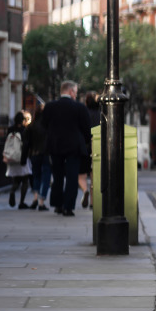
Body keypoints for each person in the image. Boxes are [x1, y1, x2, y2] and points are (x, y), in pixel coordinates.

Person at [42, 81, 93, 217]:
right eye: (75, 92)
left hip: (55, 146)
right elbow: (87, 130)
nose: (75, 95)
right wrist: (86, 142)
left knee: (57, 176)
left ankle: (57, 204)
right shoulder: (79, 108)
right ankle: (68, 207)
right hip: (73, 147)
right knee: (72, 177)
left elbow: (43, 125)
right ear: (71, 92)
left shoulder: (50, 107)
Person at [22, 102, 51, 211]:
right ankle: (41, 202)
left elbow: (26, 143)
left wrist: (23, 158)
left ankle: (35, 198)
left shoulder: (31, 126)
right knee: (46, 177)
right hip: (47, 154)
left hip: (34, 153)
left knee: (36, 176)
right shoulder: (48, 126)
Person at [4, 112, 32, 209]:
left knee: (16, 180)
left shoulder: (10, 130)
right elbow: (26, 145)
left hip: (12, 158)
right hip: (21, 157)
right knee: (25, 180)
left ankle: (12, 191)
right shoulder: (24, 130)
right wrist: (25, 158)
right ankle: (21, 202)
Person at [80, 92, 101, 209]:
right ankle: (93, 202)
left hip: (85, 146)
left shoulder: (84, 113)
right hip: (97, 146)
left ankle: (84, 190)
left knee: (81, 175)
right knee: (94, 176)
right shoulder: (101, 114)